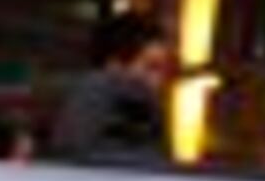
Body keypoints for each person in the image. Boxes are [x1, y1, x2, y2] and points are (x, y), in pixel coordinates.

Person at [46, 12, 172, 167]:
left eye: (162, 69)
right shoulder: (94, 94)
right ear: (114, 64)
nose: (158, 80)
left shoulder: (144, 105)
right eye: (151, 67)